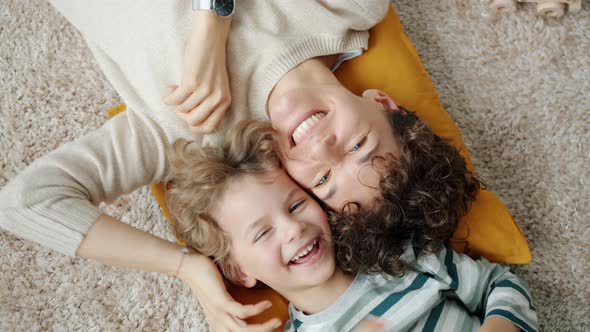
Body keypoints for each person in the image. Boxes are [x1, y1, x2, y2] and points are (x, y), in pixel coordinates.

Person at [0, 0, 482, 330]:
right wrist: (213, 20)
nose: (323, 147)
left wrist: (186, 266)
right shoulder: (346, 8)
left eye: (323, 180)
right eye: (359, 145)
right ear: (385, 103)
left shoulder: (184, 136)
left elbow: (25, 203)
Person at [165, 119, 538, 332]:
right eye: (263, 232)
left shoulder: (401, 255)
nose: (292, 229)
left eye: (296, 205)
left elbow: (499, 284)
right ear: (238, 271)